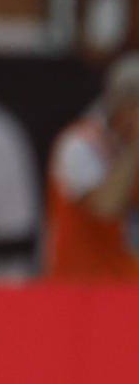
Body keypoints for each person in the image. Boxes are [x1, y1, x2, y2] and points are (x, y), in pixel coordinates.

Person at [45, 53, 139, 278]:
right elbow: (105, 206)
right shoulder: (79, 145)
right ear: (123, 105)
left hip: (128, 294)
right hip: (81, 295)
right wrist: (136, 145)